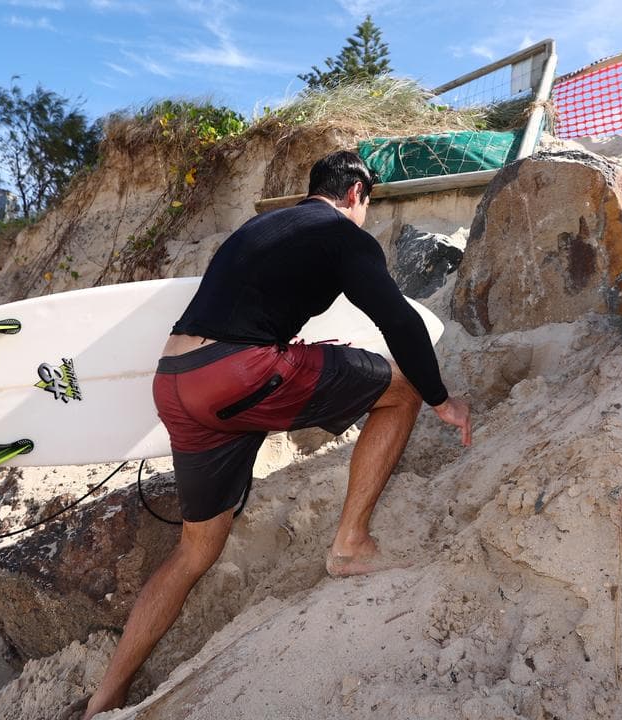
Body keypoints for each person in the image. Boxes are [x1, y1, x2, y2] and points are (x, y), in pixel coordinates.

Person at [81, 150, 471, 718]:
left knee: (195, 552)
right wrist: (442, 400)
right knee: (403, 389)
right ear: (356, 193)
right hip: (239, 375)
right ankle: (350, 543)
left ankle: (104, 698)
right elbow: (398, 320)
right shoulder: (344, 234)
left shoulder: (260, 227)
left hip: (175, 382)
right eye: (367, 202)